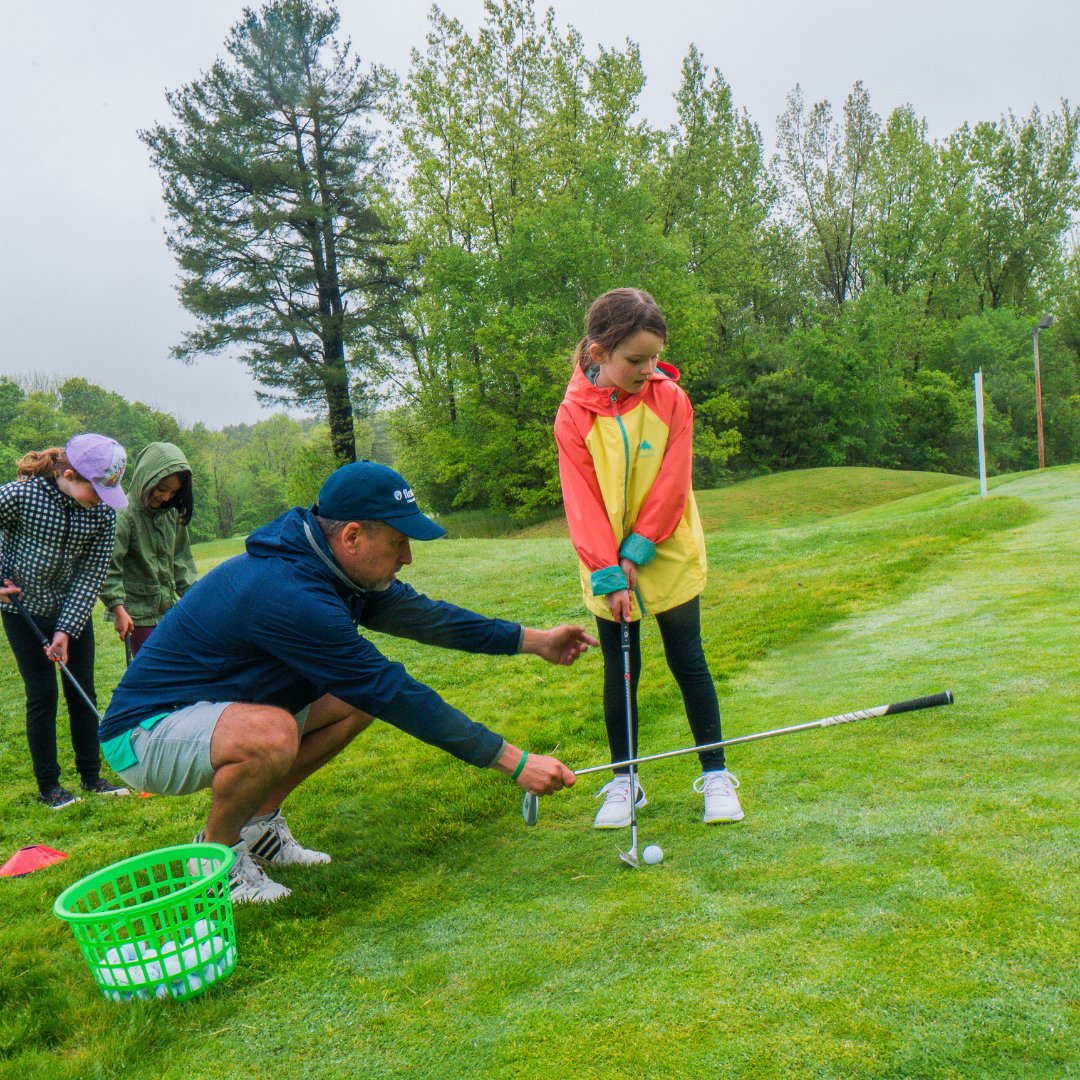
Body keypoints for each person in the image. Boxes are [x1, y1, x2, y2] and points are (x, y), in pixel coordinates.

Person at [99, 461, 595, 904]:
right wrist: (514, 762)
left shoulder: (334, 569)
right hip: (143, 735)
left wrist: (536, 640)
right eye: (398, 542)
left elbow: (431, 619)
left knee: (352, 703)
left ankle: (259, 825)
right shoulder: (289, 593)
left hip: (213, 712)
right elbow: (392, 688)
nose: (407, 558)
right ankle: (215, 857)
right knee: (272, 733)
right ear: (352, 536)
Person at [554, 288, 744, 829]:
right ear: (598, 353)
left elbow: (672, 483)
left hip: (669, 548)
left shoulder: (671, 400)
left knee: (689, 660)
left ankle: (715, 774)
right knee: (621, 670)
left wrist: (639, 549)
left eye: (654, 358)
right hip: (602, 561)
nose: (648, 369)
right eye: (635, 361)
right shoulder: (571, 417)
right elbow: (582, 502)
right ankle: (624, 781)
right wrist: (611, 571)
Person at [0, 434, 131, 808]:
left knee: (82, 690)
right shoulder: (20, 495)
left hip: (71, 611)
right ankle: (50, 787)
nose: (103, 500)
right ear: (71, 475)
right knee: (42, 694)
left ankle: (91, 776)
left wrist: (65, 630)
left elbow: (92, 573)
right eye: (98, 490)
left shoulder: (103, 513)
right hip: (22, 610)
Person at [100, 442, 197, 657]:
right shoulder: (123, 515)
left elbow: (182, 561)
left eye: (173, 492)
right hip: (137, 616)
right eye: (161, 489)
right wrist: (117, 607)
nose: (165, 497)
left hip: (168, 609)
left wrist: (197, 597)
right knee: (155, 670)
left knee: (180, 665)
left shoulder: (171, 514)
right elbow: (109, 568)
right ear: (146, 479)